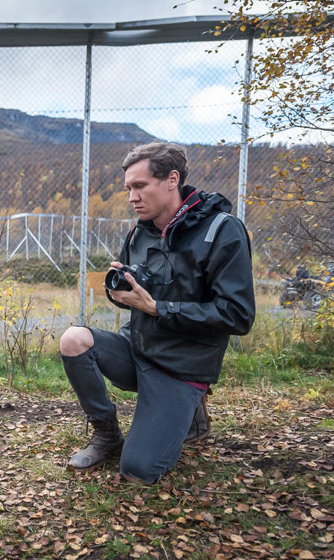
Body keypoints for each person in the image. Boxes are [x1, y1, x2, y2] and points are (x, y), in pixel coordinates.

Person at [60, 142, 255, 483]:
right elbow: (136, 294)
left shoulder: (221, 231)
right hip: (139, 348)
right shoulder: (139, 231)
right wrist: (121, 296)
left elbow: (237, 315)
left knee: (138, 471)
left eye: (139, 186)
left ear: (171, 180)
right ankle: (107, 434)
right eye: (128, 188)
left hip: (181, 365)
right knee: (74, 339)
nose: (132, 196)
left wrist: (156, 307)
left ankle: (189, 407)